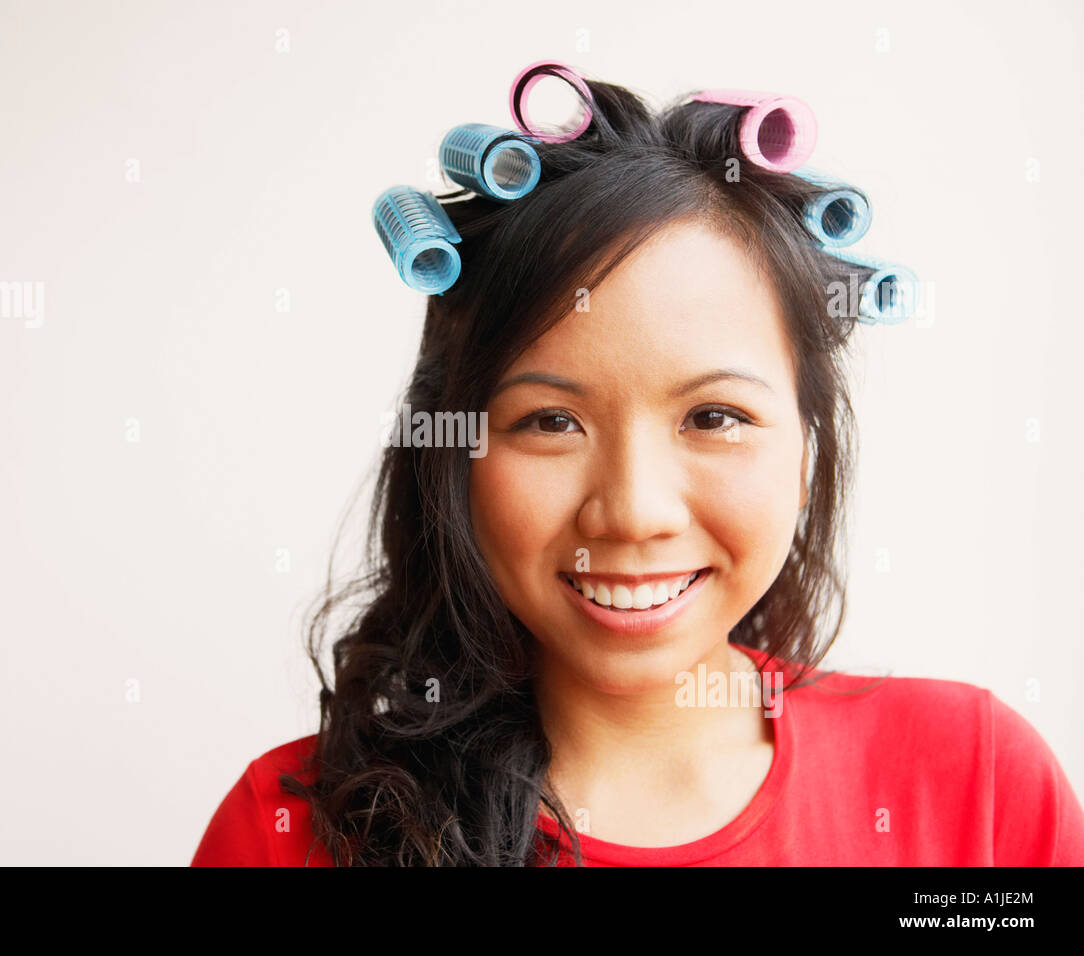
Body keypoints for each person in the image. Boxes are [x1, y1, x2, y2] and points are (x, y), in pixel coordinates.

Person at [191, 68, 1084, 866]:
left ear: (807, 454)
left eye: (714, 416)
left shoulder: (980, 790)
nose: (632, 512)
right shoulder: (289, 835)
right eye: (550, 421)